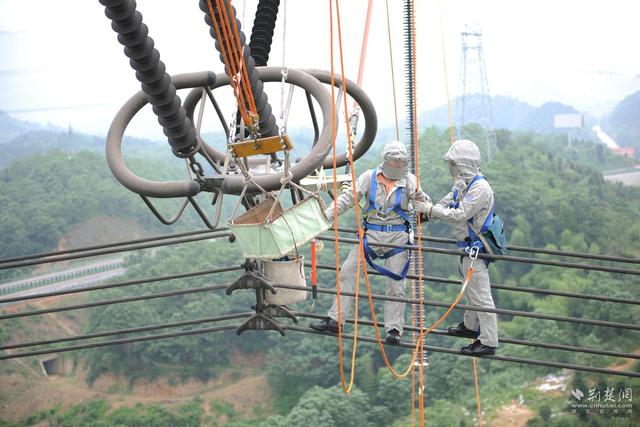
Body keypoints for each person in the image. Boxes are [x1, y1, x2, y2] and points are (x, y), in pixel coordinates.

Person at [309, 141, 431, 344]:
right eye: (394, 162)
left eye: (402, 163)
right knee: (348, 271)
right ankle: (335, 319)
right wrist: (326, 218)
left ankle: (394, 329)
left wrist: (422, 199)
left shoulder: (410, 181)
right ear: (385, 161)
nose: (398, 166)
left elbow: (425, 209)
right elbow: (347, 199)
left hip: (397, 238)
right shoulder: (369, 177)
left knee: (396, 285)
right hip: (371, 236)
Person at [423, 139, 498, 356]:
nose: (451, 168)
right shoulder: (465, 185)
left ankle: (488, 341)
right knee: (472, 289)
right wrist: (430, 210)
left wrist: (430, 210)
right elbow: (445, 205)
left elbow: (460, 214)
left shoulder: (480, 188)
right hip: (466, 249)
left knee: (481, 295)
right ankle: (470, 325)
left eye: (453, 164)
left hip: (475, 250)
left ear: (463, 163)